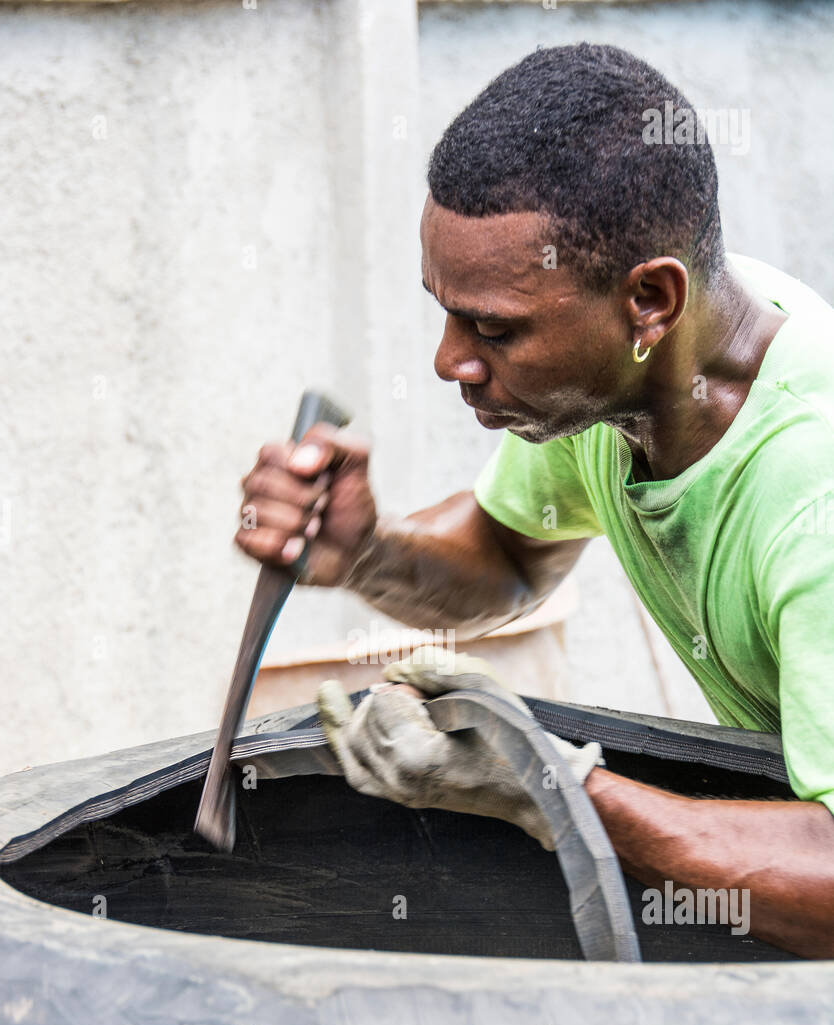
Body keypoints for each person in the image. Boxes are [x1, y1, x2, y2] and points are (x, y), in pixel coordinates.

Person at [236, 44, 834, 959]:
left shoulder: (813, 499)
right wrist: (367, 550)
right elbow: (513, 561)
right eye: (445, 312)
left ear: (650, 301)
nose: (451, 361)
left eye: (494, 329)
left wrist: (551, 787)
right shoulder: (640, 374)